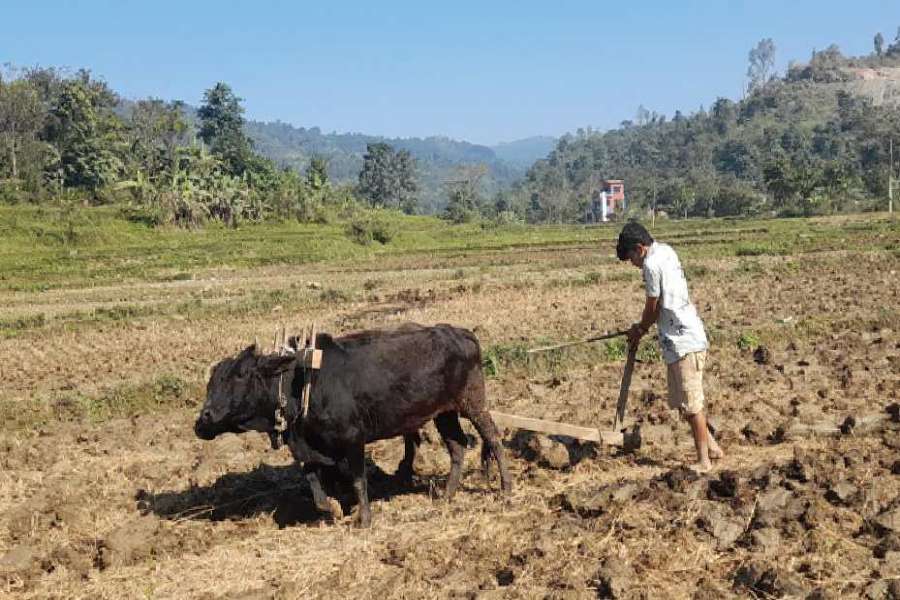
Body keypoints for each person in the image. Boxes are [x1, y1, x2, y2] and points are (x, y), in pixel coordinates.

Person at [616, 221, 724, 473]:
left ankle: (704, 461)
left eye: (631, 257)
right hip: (675, 341)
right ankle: (714, 449)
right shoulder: (665, 250)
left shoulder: (651, 265)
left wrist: (639, 329)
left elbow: (653, 307)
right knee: (683, 403)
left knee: (692, 404)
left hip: (684, 339)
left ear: (640, 248)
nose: (632, 263)